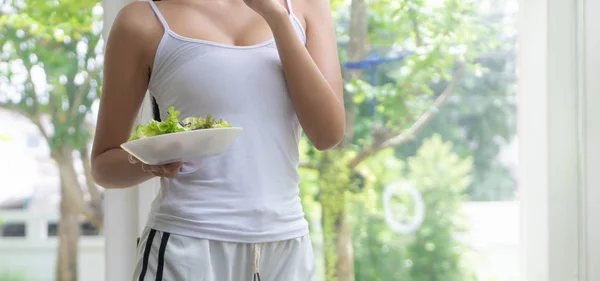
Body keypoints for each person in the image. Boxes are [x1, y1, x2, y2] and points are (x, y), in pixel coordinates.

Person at [91, 0, 344, 279]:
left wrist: (276, 16)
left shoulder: (307, 7)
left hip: (286, 245)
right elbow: (104, 165)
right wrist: (149, 163)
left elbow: (327, 134)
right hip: (187, 245)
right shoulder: (141, 20)